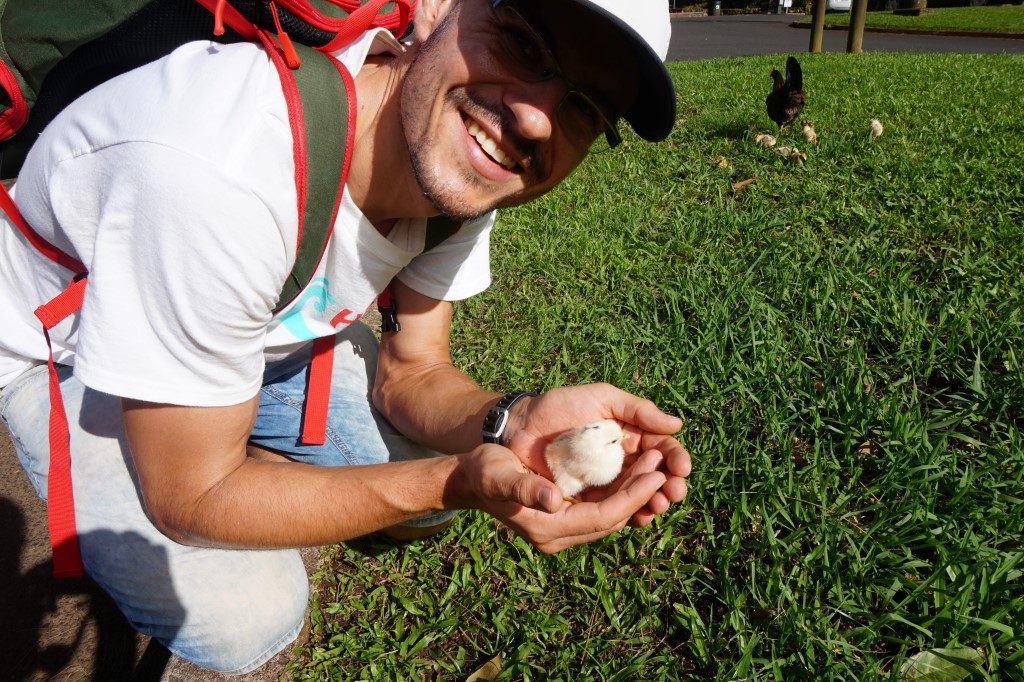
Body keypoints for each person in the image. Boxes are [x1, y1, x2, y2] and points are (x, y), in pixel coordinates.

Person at [0, 0, 691, 674]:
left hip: (263, 332)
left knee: (417, 490)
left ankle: (243, 443)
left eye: (583, 108)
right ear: (432, 9)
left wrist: (515, 423)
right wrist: (448, 480)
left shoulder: (465, 170)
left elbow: (413, 370)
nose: (536, 119)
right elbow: (190, 498)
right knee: (252, 614)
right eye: (521, 40)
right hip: (69, 356)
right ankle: (229, 452)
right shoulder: (224, 165)